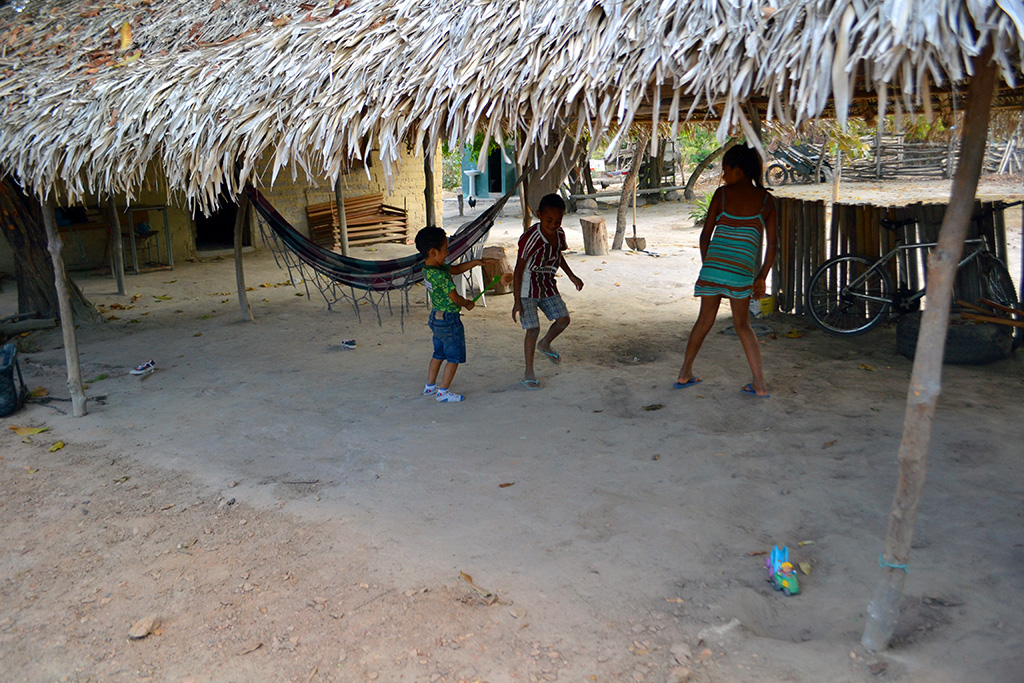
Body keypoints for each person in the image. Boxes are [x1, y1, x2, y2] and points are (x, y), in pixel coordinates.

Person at [675, 144, 778, 397]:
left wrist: (708, 266)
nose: (723, 175)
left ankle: (685, 372)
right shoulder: (766, 200)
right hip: (741, 273)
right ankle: (759, 384)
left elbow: (704, 237)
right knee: (743, 324)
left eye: (726, 170)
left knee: (704, 321)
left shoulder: (722, 195)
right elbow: (773, 244)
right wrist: (761, 277)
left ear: (739, 171)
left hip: (713, 267)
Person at [512, 194, 584, 389]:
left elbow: (558, 255)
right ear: (539, 216)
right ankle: (529, 372)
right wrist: (516, 301)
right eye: (549, 220)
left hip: (547, 284)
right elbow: (518, 270)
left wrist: (571, 276)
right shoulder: (530, 238)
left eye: (558, 221)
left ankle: (545, 344)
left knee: (563, 320)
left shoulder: (559, 234)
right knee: (532, 329)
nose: (553, 225)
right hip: (527, 289)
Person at [415, 226, 493, 403]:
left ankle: (430, 386)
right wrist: (468, 303)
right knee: (454, 357)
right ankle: (443, 392)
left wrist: (474, 263)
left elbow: (456, 269)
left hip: (436, 318)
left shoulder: (429, 269)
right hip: (449, 320)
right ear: (433, 252)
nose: (448, 252)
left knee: (438, 353)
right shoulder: (440, 276)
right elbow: (456, 298)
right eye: (445, 250)